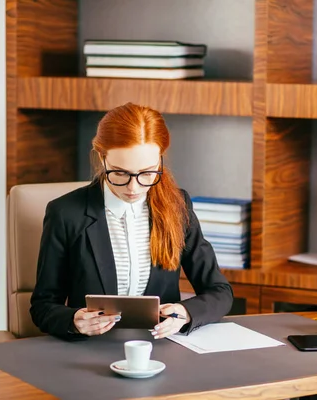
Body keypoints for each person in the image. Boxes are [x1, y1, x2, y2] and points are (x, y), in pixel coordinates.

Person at [30, 102, 234, 340]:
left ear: (160, 160)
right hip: (89, 349)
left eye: (147, 173)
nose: (133, 187)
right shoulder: (65, 213)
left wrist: (185, 312)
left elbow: (220, 292)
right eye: (120, 173)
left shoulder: (177, 206)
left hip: (159, 349)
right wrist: (73, 321)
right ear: (102, 158)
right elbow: (42, 307)